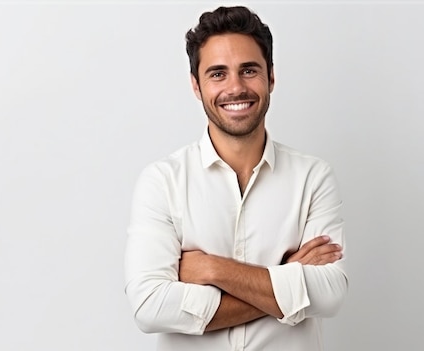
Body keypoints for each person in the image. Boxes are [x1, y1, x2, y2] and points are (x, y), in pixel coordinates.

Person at [125, 6, 348, 351]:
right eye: (217, 74)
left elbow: (330, 294)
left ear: (271, 77)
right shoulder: (162, 181)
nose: (235, 87)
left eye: (249, 70)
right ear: (196, 86)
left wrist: (213, 270)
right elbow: (149, 308)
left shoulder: (313, 177)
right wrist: (287, 279)